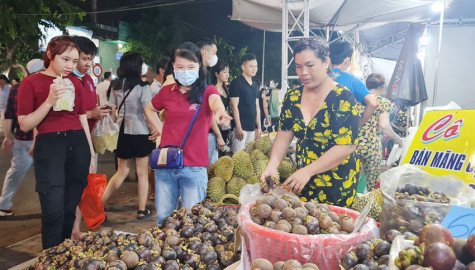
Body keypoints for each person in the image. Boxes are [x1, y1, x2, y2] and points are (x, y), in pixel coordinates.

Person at [260, 37, 360, 207]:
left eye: (310, 65)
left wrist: (308, 171)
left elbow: (346, 146)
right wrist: (272, 165)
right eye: (298, 66)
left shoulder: (343, 98)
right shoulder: (292, 98)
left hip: (337, 184)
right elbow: (284, 134)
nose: (303, 72)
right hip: (303, 184)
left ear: (326, 62)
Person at [17, 35, 95, 249]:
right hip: (50, 147)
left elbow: (81, 118)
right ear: (50, 55)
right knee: (53, 211)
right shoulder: (31, 82)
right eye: (65, 59)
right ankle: (50, 257)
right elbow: (24, 124)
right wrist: (49, 101)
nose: (71, 65)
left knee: (70, 209)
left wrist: (91, 153)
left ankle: (63, 255)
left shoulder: (75, 83)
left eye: (74, 60)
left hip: (78, 144)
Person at [144, 42, 232, 225]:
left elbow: (216, 102)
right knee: (164, 219)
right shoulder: (168, 91)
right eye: (180, 67)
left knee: (192, 221)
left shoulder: (207, 91)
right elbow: (149, 110)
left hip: (193, 166)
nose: (185, 71)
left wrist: (221, 112)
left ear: (199, 67)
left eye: (191, 67)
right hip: (166, 163)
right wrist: (161, 132)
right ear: (173, 68)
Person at [102, 52, 155, 220]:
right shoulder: (143, 86)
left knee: (121, 172)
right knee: (142, 173)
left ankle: (99, 203)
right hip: (140, 132)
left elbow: (113, 110)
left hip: (123, 133)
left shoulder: (116, 86)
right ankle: (141, 210)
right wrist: (155, 128)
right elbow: (148, 112)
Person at [0, 60, 45, 217]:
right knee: (48, 173)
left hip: (22, 138)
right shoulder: (42, 85)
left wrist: (7, 135)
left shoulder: (17, 87)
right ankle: (51, 208)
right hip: (40, 138)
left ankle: (3, 205)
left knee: (16, 171)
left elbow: (9, 113)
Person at [357, 73, 403, 190]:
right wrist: (397, 139)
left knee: (351, 180)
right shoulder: (383, 102)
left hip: (353, 144)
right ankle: (370, 206)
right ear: (381, 87)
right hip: (371, 146)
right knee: (372, 183)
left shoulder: (357, 98)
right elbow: (384, 125)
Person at [329, 40, 378, 129]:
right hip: (340, 135)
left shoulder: (316, 77)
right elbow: (373, 103)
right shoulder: (352, 80)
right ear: (347, 61)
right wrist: (358, 125)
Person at [72, 36, 113, 134]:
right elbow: (62, 118)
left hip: (90, 134)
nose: (89, 64)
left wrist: (101, 109)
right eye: (85, 59)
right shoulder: (64, 80)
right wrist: (90, 115)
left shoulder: (88, 79)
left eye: (91, 59)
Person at [197, 39, 223, 164]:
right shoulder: (203, 74)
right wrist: (218, 135)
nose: (215, 56)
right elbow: (209, 107)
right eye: (214, 52)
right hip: (204, 132)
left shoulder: (205, 73)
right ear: (204, 53)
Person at [229, 53, 261, 153]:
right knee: (237, 156)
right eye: (251, 66)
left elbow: (257, 106)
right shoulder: (236, 83)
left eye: (256, 66)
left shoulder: (256, 84)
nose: (254, 69)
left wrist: (259, 127)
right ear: (243, 67)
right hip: (240, 127)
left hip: (252, 127)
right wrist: (238, 127)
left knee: (247, 158)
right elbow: (234, 106)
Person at [211, 60, 231, 156]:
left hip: (225, 127)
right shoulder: (213, 90)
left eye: (228, 72)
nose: (227, 75)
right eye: (224, 72)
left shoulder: (225, 88)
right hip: (215, 128)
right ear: (216, 74)